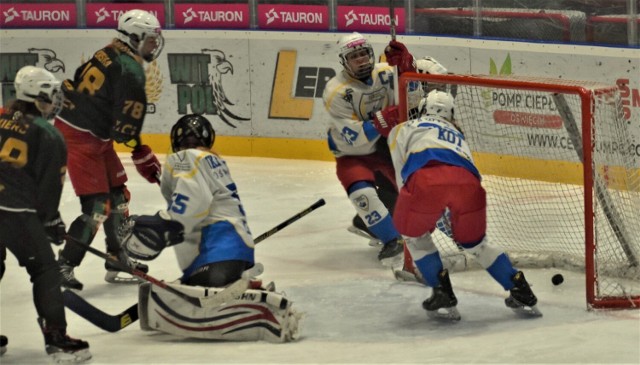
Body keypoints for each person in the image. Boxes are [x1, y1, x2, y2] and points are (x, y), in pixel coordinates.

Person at [120, 114, 300, 342]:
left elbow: (189, 202)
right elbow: (190, 191)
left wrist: (154, 227)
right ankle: (242, 285)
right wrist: (157, 174)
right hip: (237, 253)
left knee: (177, 294)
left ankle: (256, 311)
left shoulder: (187, 158)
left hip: (216, 257)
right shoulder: (212, 161)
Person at [372, 90, 541, 320]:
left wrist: (420, 216)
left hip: (426, 181)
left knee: (415, 237)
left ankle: (443, 293)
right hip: (470, 185)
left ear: (422, 108)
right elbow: (462, 171)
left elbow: (403, 178)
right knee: (476, 244)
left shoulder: (402, 129)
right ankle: (520, 289)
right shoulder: (457, 132)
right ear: (450, 113)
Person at [53, 9, 165, 289]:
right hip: (79, 138)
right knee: (98, 208)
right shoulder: (130, 69)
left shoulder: (109, 51)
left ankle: (117, 258)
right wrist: (141, 153)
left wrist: (136, 146)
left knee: (119, 197)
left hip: (91, 135)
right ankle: (63, 266)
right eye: (150, 39)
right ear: (135, 37)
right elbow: (124, 127)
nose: (154, 45)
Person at [321, 32, 449, 267]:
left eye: (363, 54)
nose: (361, 60)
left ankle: (464, 236)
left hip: (389, 146)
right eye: (354, 56)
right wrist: (378, 122)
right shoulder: (335, 91)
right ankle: (393, 242)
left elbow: (411, 97)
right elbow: (348, 136)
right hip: (353, 154)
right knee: (363, 195)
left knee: (420, 191)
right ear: (343, 61)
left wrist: (405, 65)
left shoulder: (385, 73)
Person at [0, 66, 91, 362]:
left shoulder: (1, 116)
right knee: (45, 270)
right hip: (15, 212)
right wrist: (51, 220)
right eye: (51, 94)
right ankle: (57, 338)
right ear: (38, 95)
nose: (56, 100)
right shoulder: (48, 133)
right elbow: (49, 187)